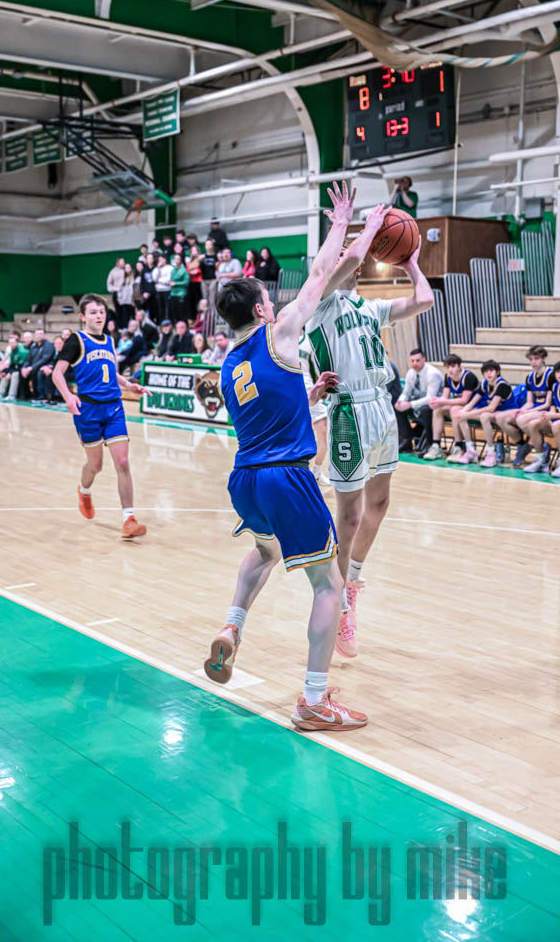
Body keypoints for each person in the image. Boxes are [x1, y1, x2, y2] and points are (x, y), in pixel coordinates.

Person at [203, 180, 369, 732]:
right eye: (268, 299)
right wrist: (341, 221)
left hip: (245, 479)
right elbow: (320, 274)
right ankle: (314, 700)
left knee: (265, 551)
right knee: (329, 586)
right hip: (285, 478)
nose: (275, 303)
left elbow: (266, 410)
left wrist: (309, 394)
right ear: (259, 308)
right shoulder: (280, 332)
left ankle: (232, 624)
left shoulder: (231, 363)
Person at [306, 207, 434, 660]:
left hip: (381, 407)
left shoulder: (370, 307)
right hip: (347, 411)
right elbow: (343, 262)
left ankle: (351, 585)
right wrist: (366, 231)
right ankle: (337, 600)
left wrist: (410, 262)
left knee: (380, 504)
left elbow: (424, 300)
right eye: (343, 254)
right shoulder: (320, 304)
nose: (353, 259)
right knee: (350, 516)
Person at [52, 294, 149, 539]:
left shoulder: (109, 340)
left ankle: (129, 519)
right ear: (83, 316)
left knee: (123, 462)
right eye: (93, 312)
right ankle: (84, 491)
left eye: (102, 312)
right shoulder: (76, 340)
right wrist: (68, 396)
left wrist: (129, 385)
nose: (99, 316)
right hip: (88, 410)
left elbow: (110, 372)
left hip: (114, 408)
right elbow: (57, 373)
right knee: (95, 465)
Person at [450, 361, 517, 465]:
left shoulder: (502, 384)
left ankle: (491, 454)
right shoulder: (484, 383)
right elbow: (472, 402)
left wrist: (467, 414)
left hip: (506, 413)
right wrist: (462, 412)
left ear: (497, 372)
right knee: (461, 416)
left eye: (491, 370)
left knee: (484, 416)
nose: (488, 373)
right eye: (485, 371)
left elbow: (491, 408)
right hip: (494, 414)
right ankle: (471, 451)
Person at [504, 345, 555, 467]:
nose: (533, 362)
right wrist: (519, 410)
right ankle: (523, 444)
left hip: (548, 411)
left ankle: (541, 447)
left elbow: (547, 404)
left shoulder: (551, 375)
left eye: (536, 359)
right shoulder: (530, 377)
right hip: (535, 410)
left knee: (521, 419)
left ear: (544, 358)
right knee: (505, 418)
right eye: (531, 359)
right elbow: (530, 402)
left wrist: (527, 412)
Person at [423, 354, 479, 460]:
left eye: (453, 366)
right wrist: (436, 402)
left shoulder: (468, 377)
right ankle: (436, 446)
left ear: (459, 366)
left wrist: (442, 401)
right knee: (438, 409)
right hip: (461, 408)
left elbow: (464, 400)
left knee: (454, 409)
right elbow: (445, 397)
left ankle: (459, 447)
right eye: (447, 367)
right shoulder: (447, 377)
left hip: (475, 407)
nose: (450, 369)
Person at [394, 349, 444, 454]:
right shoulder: (410, 373)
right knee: (398, 409)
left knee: (425, 409)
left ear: (424, 360)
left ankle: (429, 445)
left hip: (436, 404)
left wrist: (410, 404)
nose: (414, 363)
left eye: (417, 360)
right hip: (419, 402)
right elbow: (406, 393)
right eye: (412, 361)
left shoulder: (432, 373)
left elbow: (430, 398)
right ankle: (406, 441)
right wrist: (400, 401)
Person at [299, 330, 330, 485]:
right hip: (290, 394)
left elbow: (317, 370)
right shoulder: (280, 337)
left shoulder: (309, 341)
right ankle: (296, 473)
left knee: (324, 434)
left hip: (309, 391)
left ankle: (317, 471)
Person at [20, 328, 54, 402]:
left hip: (42, 367)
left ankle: (39, 395)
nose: (39, 336)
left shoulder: (48, 345)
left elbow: (44, 359)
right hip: (33, 367)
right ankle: (25, 395)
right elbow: (28, 359)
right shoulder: (34, 346)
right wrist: (24, 367)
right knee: (21, 371)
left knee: (35, 372)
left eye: (41, 334)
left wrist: (31, 368)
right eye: (37, 334)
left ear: (44, 335)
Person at [168, 253, 191, 324]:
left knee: (182, 313)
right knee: (175, 313)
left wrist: (175, 283)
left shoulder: (184, 270)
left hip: (181, 294)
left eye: (178, 259)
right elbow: (171, 280)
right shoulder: (173, 270)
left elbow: (186, 282)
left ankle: (184, 326)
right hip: (173, 294)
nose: (177, 260)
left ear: (181, 260)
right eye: (175, 259)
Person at [152, 253, 172, 324]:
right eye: (159, 260)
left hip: (167, 290)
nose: (160, 261)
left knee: (168, 307)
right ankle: (162, 323)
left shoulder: (170, 268)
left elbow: (168, 280)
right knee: (160, 308)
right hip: (158, 291)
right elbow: (154, 279)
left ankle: (169, 322)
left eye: (161, 259)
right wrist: (158, 269)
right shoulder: (156, 269)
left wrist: (159, 281)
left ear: (165, 260)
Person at [200, 239, 219, 313]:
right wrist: (198, 259)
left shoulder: (216, 256)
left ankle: (213, 314)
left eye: (210, 244)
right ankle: (206, 314)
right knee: (204, 298)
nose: (208, 246)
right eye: (207, 244)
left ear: (213, 246)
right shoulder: (202, 257)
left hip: (213, 279)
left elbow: (218, 267)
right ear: (205, 246)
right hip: (204, 279)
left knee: (212, 297)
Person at [186, 244, 203, 319]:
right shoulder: (189, 262)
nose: (193, 252)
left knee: (199, 301)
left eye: (195, 250)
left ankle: (200, 318)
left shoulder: (201, 259)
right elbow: (188, 270)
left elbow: (200, 270)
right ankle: (193, 318)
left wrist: (195, 270)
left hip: (199, 283)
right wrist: (193, 270)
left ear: (198, 251)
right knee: (191, 302)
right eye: (192, 250)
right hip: (191, 283)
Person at [117, 263, 136, 329]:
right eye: (126, 268)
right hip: (124, 301)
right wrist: (120, 299)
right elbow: (119, 290)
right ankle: (126, 328)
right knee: (125, 316)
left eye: (128, 267)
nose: (127, 269)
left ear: (131, 269)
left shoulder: (134, 277)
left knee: (133, 315)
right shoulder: (122, 278)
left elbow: (134, 290)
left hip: (131, 301)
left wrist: (133, 300)